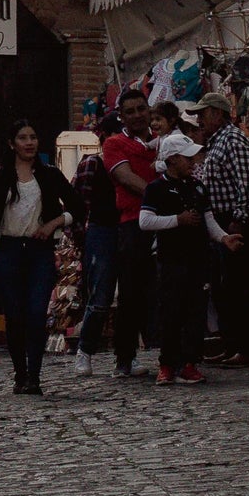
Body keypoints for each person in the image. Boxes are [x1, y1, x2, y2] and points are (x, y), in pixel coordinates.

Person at [0, 117, 78, 394]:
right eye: (22, 138)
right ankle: (20, 374)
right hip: (7, 252)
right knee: (15, 315)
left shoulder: (50, 175)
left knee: (35, 312)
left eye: (32, 137)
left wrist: (54, 223)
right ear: (12, 144)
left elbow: (78, 206)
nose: (29, 142)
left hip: (39, 252)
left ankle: (35, 375)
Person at [140, 130, 240, 385]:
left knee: (195, 312)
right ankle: (167, 364)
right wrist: (177, 220)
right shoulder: (156, 188)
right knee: (171, 311)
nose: (192, 163)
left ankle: (189, 363)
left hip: (198, 258)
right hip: (171, 259)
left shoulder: (197, 187)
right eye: (187, 158)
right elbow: (145, 221)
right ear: (172, 159)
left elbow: (207, 219)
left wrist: (223, 238)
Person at [196, 90, 249, 365]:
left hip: (235, 220)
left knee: (237, 286)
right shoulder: (215, 142)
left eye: (203, 113)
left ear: (217, 113)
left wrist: (239, 218)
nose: (199, 119)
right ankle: (232, 343)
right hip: (221, 220)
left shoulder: (232, 138)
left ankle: (247, 349)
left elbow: (246, 182)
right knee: (223, 287)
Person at [102, 85, 158, 377]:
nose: (137, 115)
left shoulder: (163, 140)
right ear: (121, 117)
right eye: (130, 111)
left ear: (149, 110)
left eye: (141, 109)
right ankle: (125, 357)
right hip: (133, 223)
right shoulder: (114, 144)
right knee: (132, 291)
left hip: (171, 222)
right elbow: (125, 177)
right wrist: (162, 195)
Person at [72, 112, 123, 377]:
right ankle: (85, 349)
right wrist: (84, 239)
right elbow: (78, 204)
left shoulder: (131, 163)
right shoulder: (93, 164)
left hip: (126, 228)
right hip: (101, 231)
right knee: (100, 296)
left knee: (129, 295)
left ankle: (126, 355)